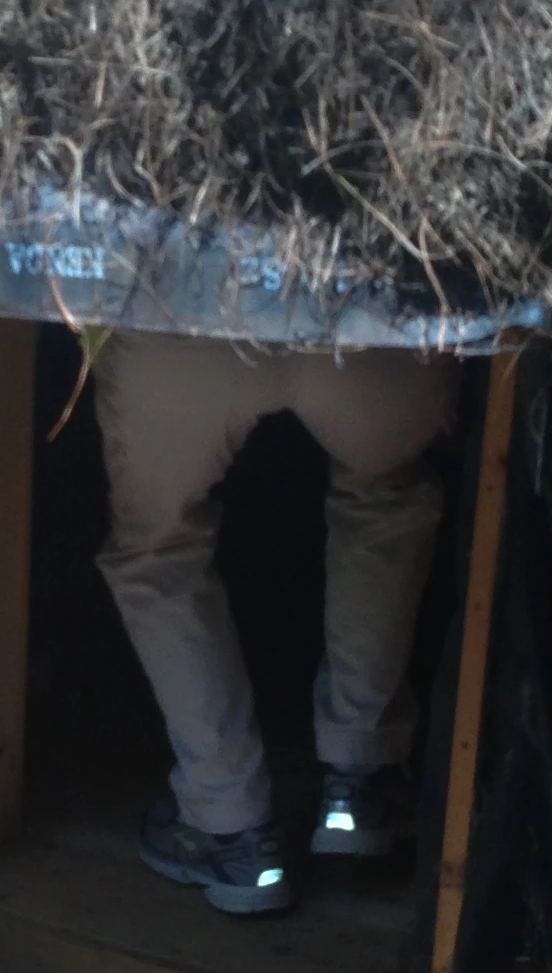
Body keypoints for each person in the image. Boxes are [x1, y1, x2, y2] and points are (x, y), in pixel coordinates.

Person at [95, 333, 456, 915]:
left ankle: (231, 832)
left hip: (183, 311)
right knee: (384, 494)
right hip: (361, 301)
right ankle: (360, 788)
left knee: (157, 550)